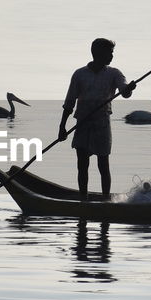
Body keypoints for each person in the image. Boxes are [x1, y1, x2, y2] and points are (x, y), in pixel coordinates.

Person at [58, 38, 137, 199]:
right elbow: (69, 102)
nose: (112, 56)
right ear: (98, 53)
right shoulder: (80, 74)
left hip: (102, 124)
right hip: (83, 123)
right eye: (110, 52)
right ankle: (83, 199)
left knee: (103, 164)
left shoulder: (114, 73)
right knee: (82, 165)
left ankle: (106, 200)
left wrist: (129, 89)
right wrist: (62, 127)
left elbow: (124, 92)